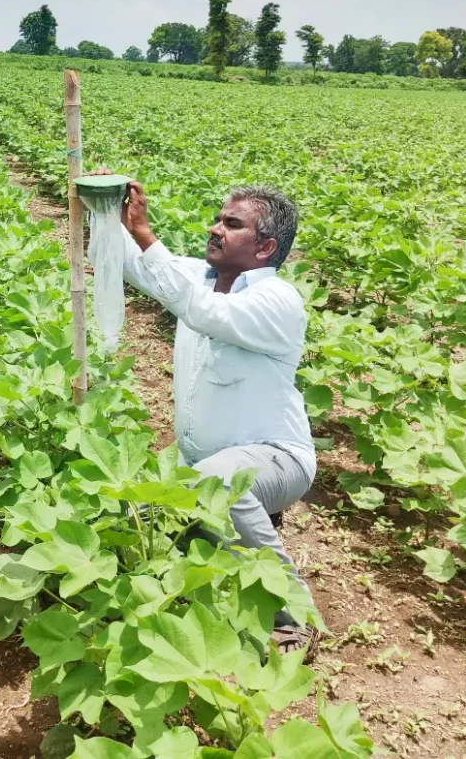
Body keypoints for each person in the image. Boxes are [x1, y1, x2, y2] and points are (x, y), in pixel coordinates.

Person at [90, 170, 318, 655]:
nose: (215, 228)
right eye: (218, 218)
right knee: (135, 517)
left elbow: (199, 311)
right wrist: (104, 208)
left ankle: (291, 614)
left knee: (217, 482)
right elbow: (134, 265)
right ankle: (230, 537)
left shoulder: (277, 300)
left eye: (231, 224)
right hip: (201, 463)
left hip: (277, 458)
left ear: (264, 248)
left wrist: (147, 235)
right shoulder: (199, 277)